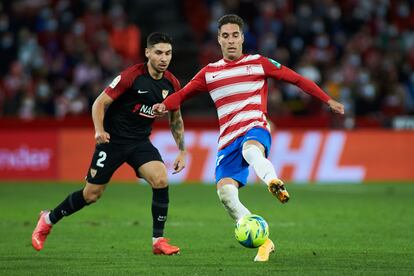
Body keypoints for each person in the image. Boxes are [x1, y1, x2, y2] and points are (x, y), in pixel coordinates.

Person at [153, 14, 344, 262]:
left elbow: (296, 78)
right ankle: (264, 241)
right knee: (226, 196)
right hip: (227, 139)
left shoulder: (258, 63)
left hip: (255, 126)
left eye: (235, 35)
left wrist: (327, 100)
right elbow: (182, 95)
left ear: (242, 38)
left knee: (251, 150)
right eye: (225, 36)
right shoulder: (209, 73)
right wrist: (163, 105)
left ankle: (273, 181)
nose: (231, 40)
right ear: (218, 40)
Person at [32, 32, 186, 255]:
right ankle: (47, 219)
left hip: (139, 142)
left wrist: (182, 150)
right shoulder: (131, 76)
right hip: (112, 141)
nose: (164, 58)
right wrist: (99, 130)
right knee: (91, 195)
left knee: (160, 178)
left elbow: (176, 117)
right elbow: (99, 103)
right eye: (159, 52)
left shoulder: (171, 83)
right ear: (147, 53)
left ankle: (158, 241)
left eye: (168, 53)